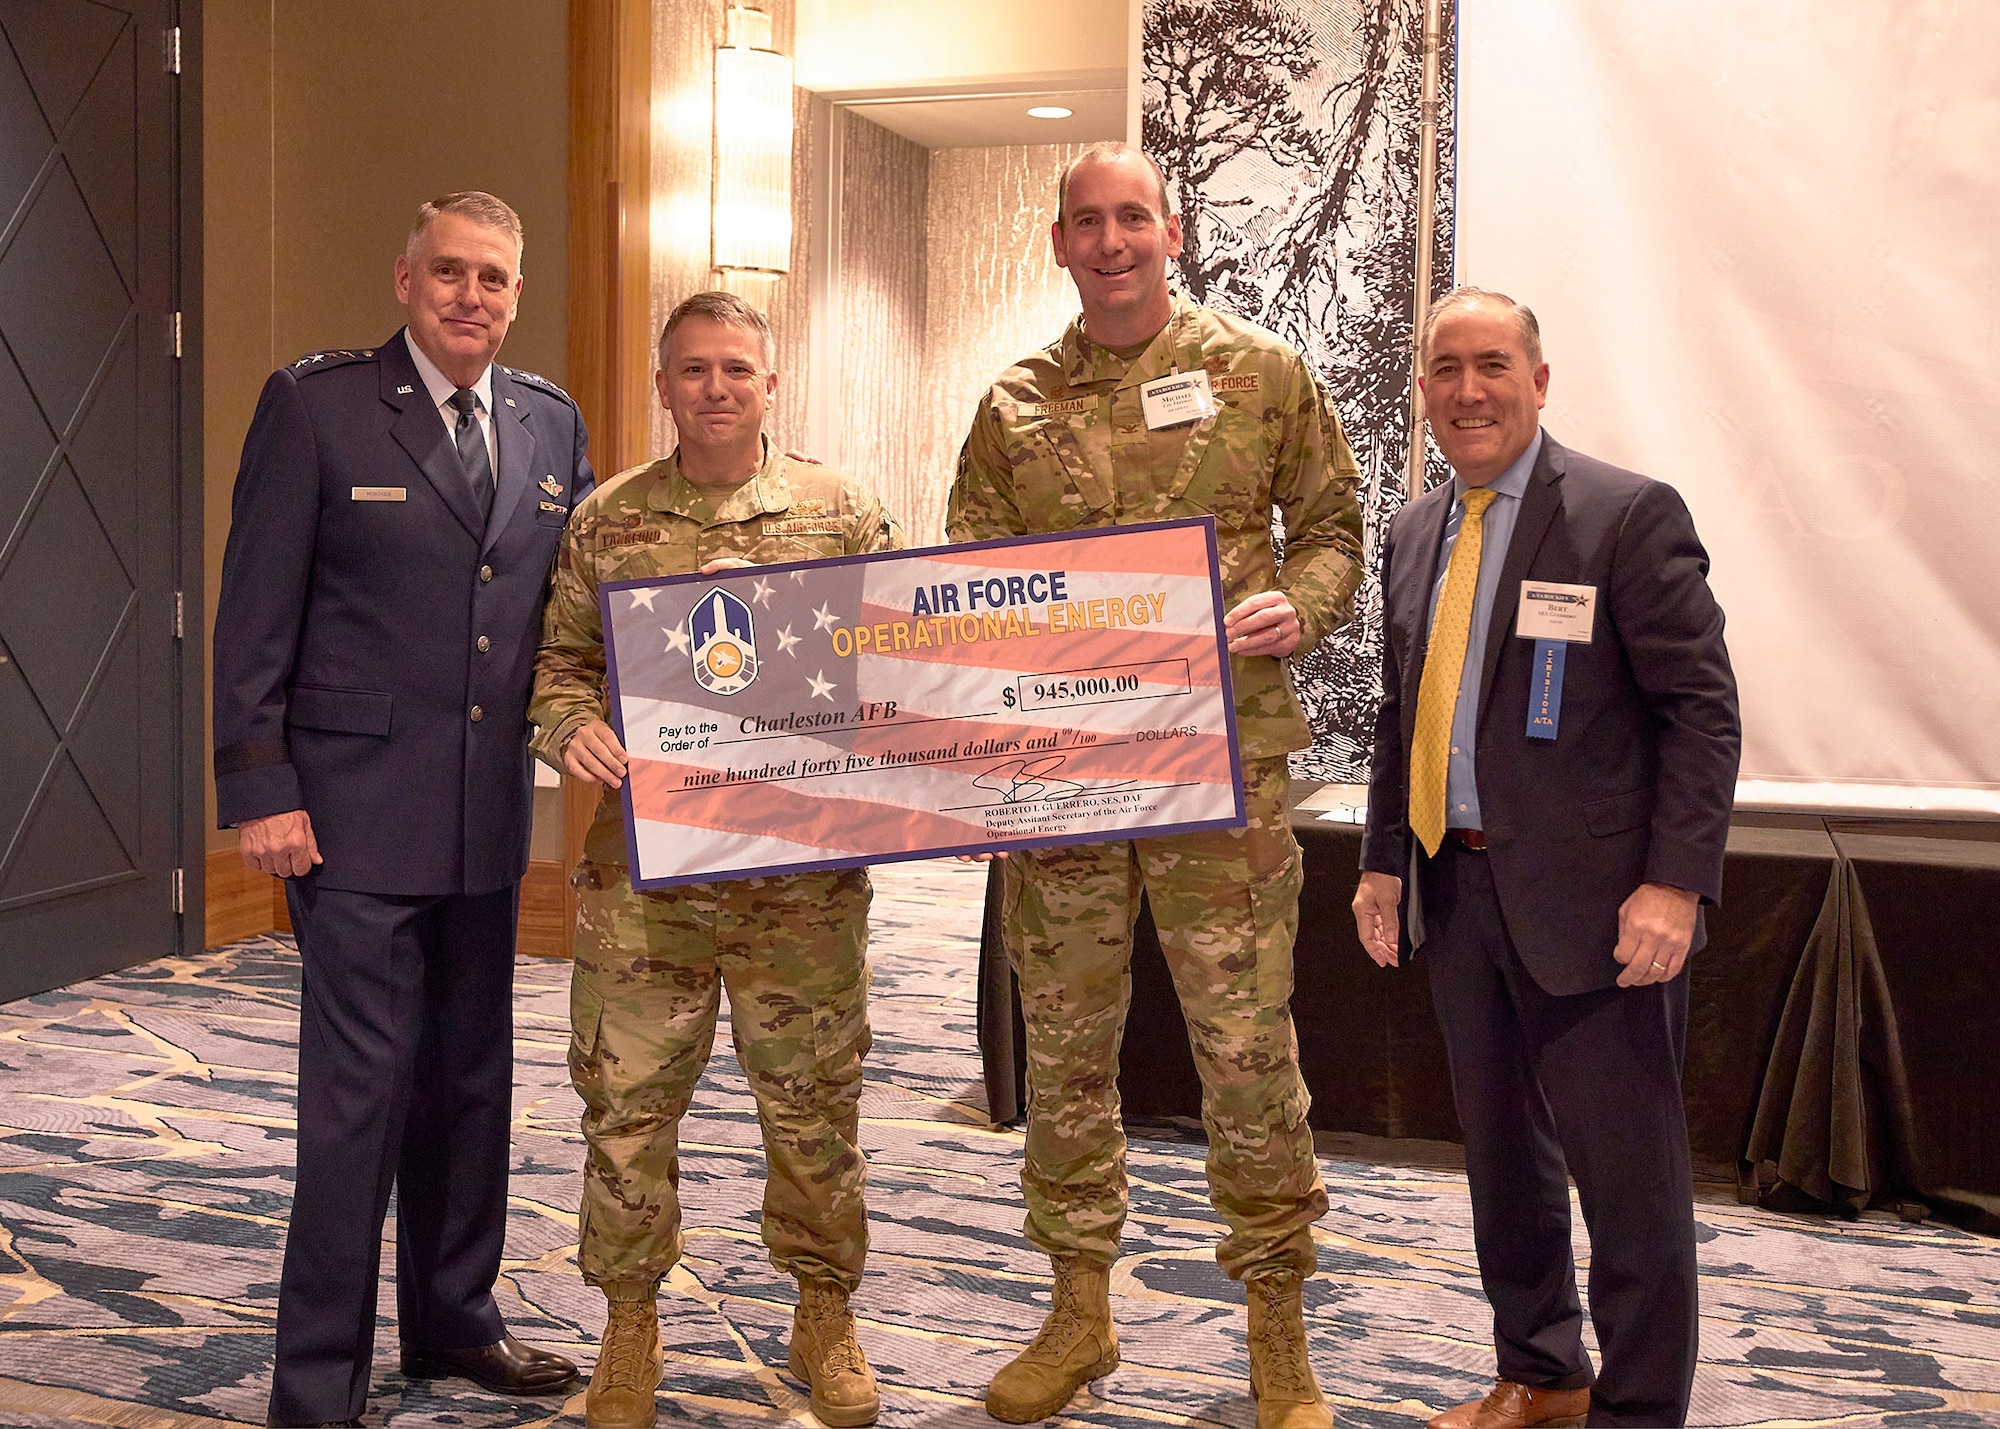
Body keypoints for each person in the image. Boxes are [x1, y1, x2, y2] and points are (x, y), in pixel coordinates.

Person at [946, 142, 1364, 1429]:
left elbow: (1337, 526)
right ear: (1060, 245)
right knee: (1066, 1048)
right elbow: (962, 579)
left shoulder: (1262, 373)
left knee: (1243, 1049)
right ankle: (1077, 1315)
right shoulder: (1013, 403)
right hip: (1064, 774)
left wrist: (1300, 599)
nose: (1112, 240)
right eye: (1088, 222)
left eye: (1134, 217)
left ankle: (1274, 1330)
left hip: (1221, 771)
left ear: (1169, 233)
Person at [212, 192, 591, 1426]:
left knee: (471, 1085)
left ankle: (454, 1321)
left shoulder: (546, 422)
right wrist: (260, 786)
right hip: (352, 819)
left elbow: (568, 619)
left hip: (487, 820)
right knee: (358, 1101)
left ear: (515, 294)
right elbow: (253, 615)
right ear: (404, 277)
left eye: (493, 278)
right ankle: (318, 1381)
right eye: (448, 272)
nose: (470, 295)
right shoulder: (316, 407)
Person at [1351, 288, 1740, 1428]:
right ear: (1420, 388)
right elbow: (1398, 712)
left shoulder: (1624, 515)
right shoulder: (1416, 529)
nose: (1467, 391)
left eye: (1491, 366)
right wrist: (1384, 860)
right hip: (1454, 889)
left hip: (1597, 907)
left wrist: (1672, 882)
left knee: (1627, 1184)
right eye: (1444, 370)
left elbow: (1700, 714)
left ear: (1537, 378)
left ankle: (1637, 1411)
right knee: (1502, 1164)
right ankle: (1539, 1371)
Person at [529, 291, 904, 1429]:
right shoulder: (607, 518)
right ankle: (629, 1322)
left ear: (769, 383)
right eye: (692, 370)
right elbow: (557, 667)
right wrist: (569, 729)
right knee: (628, 1108)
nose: (716, 389)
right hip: (647, 878)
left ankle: (822, 1310)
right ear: (662, 387)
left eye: (736, 368)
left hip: (802, 881)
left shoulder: (839, 510)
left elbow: (901, 662)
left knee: (811, 1110)